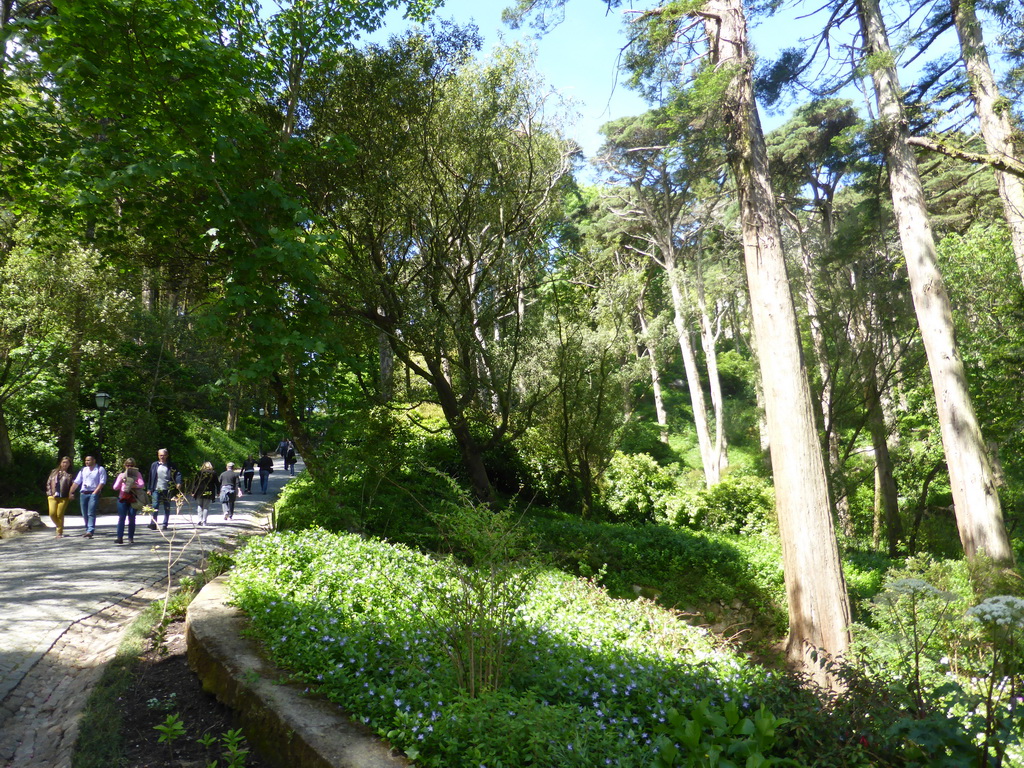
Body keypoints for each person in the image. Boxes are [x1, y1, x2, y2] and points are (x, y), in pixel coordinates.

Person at [69, 455, 107, 539]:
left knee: (91, 512)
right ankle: (87, 529)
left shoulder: (100, 469)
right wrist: (71, 492)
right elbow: (77, 481)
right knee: (84, 513)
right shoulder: (83, 470)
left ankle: (90, 530)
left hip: (93, 493)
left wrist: (95, 492)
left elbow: (102, 482)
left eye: (89, 460)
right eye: (86, 460)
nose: (87, 462)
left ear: (94, 460)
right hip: (83, 493)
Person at [112, 458, 145, 545]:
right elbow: (115, 487)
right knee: (121, 518)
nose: (129, 467)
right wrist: (122, 481)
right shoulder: (121, 475)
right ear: (125, 465)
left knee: (132, 517)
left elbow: (141, 484)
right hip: (122, 498)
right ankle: (120, 537)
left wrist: (132, 485)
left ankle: (130, 537)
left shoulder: (137, 474)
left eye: (131, 465)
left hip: (133, 498)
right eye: (127, 465)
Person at [148, 448, 183, 531]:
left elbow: (178, 474)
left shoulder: (171, 465)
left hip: (167, 489)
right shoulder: (154, 465)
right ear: (158, 455)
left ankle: (165, 524)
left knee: (166, 507)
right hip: (156, 488)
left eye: (163, 455)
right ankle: (153, 523)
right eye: (160, 455)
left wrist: (178, 482)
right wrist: (149, 488)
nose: (162, 457)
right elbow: (150, 477)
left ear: (167, 456)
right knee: (155, 506)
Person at [45, 456, 75, 538]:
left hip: (64, 497)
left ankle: (59, 532)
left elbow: (73, 486)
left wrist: (71, 494)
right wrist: (50, 493)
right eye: (63, 462)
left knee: (59, 514)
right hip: (52, 496)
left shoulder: (70, 475)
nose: (65, 464)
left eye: (67, 463)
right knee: (52, 513)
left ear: (69, 464)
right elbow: (48, 483)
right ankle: (59, 526)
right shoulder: (54, 472)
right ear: (60, 463)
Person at [191, 461, 220, 526]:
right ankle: (204, 521)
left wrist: (193, 491)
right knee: (206, 507)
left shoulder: (199, 473)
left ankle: (199, 520)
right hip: (208, 491)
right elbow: (217, 483)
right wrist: (218, 491)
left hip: (199, 491)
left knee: (199, 505)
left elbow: (195, 483)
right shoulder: (213, 473)